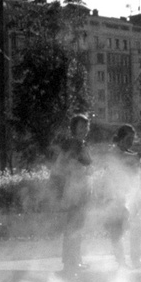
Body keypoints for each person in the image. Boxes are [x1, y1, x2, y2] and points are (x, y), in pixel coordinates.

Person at [102, 125, 141, 268]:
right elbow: (125, 159)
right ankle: (121, 263)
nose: (130, 142)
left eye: (132, 139)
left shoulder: (130, 154)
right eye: (128, 138)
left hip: (130, 197)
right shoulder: (114, 152)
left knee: (136, 228)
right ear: (119, 138)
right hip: (115, 198)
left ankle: (135, 261)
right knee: (117, 231)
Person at [54, 114, 93, 272]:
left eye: (86, 126)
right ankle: (71, 261)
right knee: (74, 226)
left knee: (77, 225)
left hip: (81, 189)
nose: (84, 129)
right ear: (74, 128)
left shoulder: (81, 144)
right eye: (81, 126)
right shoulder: (72, 144)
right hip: (74, 190)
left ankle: (75, 259)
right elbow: (65, 164)